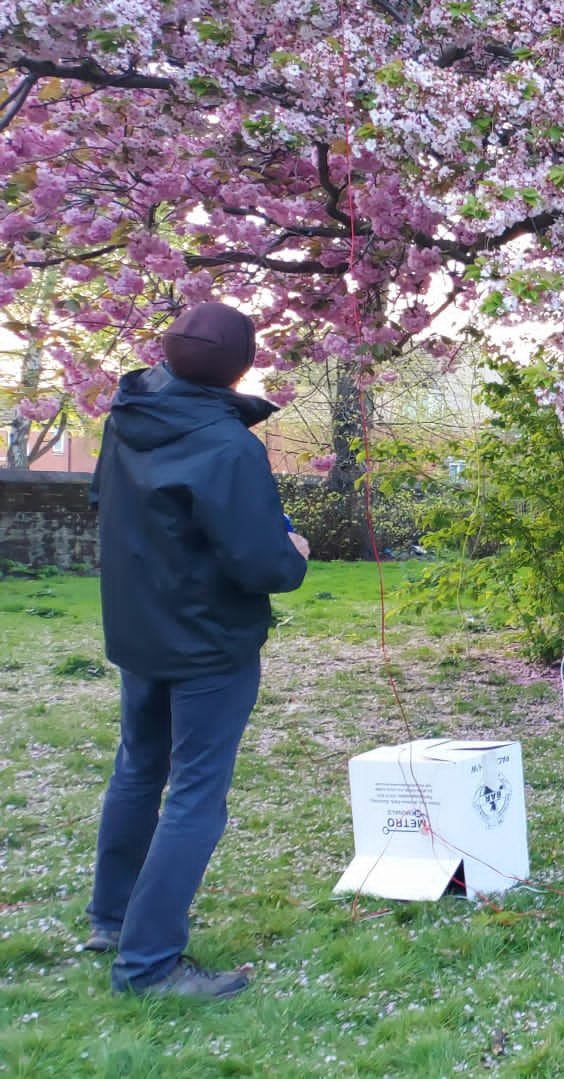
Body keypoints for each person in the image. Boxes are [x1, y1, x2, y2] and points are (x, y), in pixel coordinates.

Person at [84, 301, 311, 998]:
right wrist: (293, 552)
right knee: (194, 797)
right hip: (209, 643)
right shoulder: (227, 444)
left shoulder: (127, 417)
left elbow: (102, 502)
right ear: (240, 366)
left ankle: (114, 919)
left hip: (140, 633)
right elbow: (261, 562)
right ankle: (147, 964)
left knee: (138, 769)